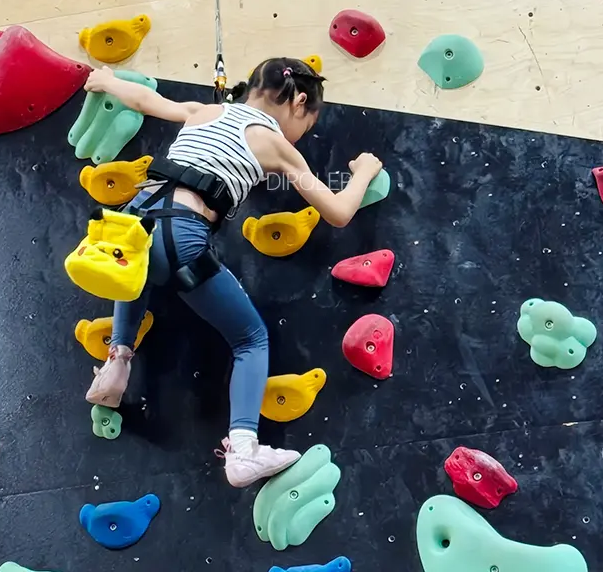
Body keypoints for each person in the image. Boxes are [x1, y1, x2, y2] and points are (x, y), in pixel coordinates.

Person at [82, 57, 383, 488]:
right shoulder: (277, 146)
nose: (302, 133)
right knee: (250, 339)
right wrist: (364, 172)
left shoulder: (205, 111)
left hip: (130, 222)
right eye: (308, 123)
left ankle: (116, 364)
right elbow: (337, 212)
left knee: (136, 275)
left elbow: (146, 100)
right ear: (299, 101)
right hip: (183, 233)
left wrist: (107, 81)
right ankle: (243, 448)